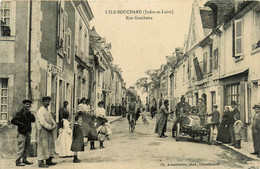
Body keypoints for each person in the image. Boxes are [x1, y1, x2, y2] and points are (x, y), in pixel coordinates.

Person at [11, 99, 35, 166]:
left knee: (27, 147)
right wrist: (21, 124)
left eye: (29, 104)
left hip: (28, 132)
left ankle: (24, 159)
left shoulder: (29, 113)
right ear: (23, 105)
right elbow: (13, 121)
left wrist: (31, 114)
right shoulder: (20, 113)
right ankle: (18, 161)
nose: (28, 105)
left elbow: (33, 120)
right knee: (21, 147)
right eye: (26, 104)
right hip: (22, 132)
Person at [36, 96, 57, 168]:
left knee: (49, 145)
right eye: (46, 101)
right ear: (43, 102)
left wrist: (54, 124)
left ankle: (49, 160)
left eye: (49, 101)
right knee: (42, 145)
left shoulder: (47, 110)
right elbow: (42, 122)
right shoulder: (40, 111)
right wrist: (50, 127)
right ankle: (40, 162)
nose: (48, 103)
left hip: (49, 131)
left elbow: (51, 119)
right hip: (43, 130)